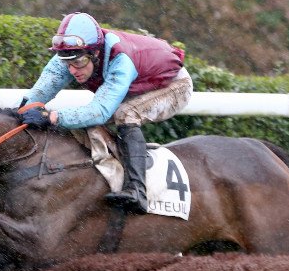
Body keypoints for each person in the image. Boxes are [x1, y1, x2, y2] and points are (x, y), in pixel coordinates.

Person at [19, 12, 193, 214]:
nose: (73, 70)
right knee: (82, 119)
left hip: (174, 85)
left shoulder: (121, 59)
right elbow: (40, 92)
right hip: (137, 84)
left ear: (95, 53)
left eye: (79, 63)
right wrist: (23, 110)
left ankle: (137, 190)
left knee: (125, 114)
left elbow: (100, 112)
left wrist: (51, 117)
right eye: (67, 63)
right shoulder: (72, 54)